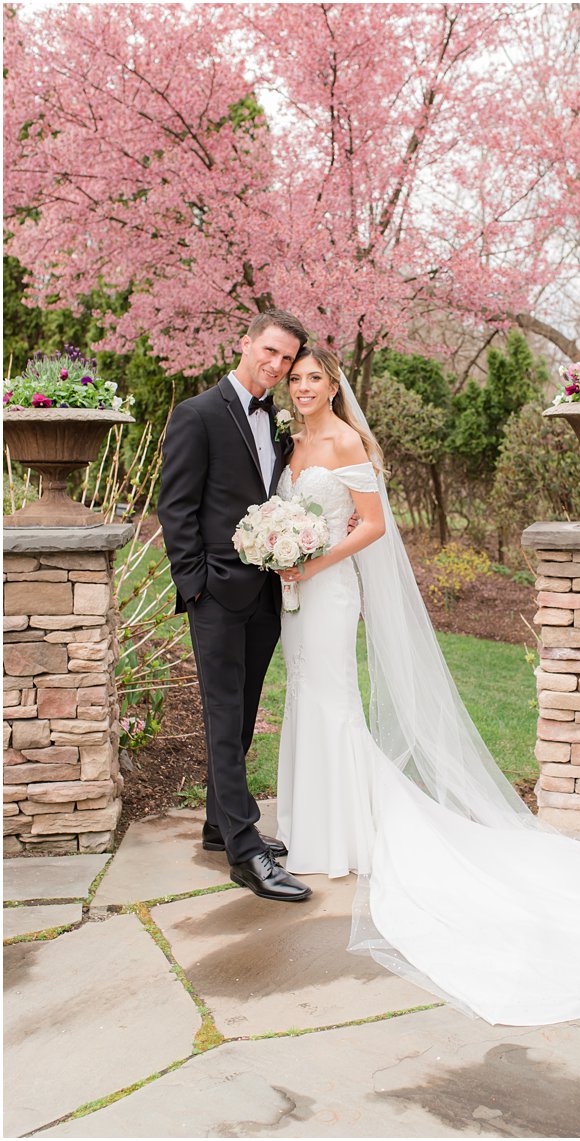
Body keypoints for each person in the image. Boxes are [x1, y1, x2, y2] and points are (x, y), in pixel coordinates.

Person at [271, 345, 580, 1024]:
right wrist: (281, 550)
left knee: (335, 703)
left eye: (313, 378)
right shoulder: (291, 441)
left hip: (328, 588)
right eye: (296, 379)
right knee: (307, 697)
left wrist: (315, 559)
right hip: (296, 590)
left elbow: (374, 526)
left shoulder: (348, 438)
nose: (302, 387)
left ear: (332, 385)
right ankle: (311, 824)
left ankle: (345, 833)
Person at [159, 309, 312, 903]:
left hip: (266, 593)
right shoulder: (196, 414)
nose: (276, 366)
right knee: (223, 717)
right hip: (217, 595)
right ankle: (247, 853)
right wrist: (195, 585)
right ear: (246, 343)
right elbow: (176, 507)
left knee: (244, 712)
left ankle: (218, 826)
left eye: (286, 360)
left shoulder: (276, 423)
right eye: (269, 352)